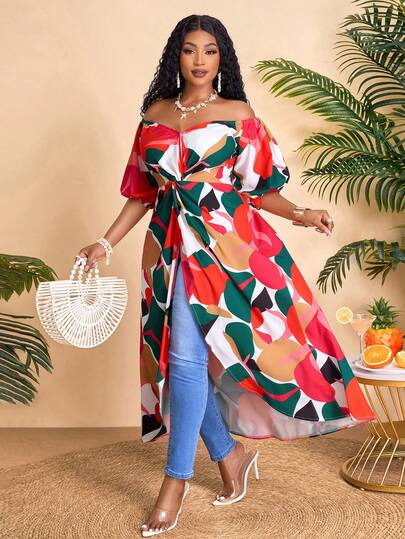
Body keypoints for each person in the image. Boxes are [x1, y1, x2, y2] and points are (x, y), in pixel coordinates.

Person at [76, 14, 375, 537]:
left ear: (222, 58)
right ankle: (229, 454)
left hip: (228, 249)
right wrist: (105, 242)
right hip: (168, 248)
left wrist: (302, 213)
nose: (199, 60)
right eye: (190, 49)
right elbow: (142, 194)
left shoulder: (238, 115)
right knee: (180, 360)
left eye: (210, 51)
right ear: (176, 55)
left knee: (185, 358)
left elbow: (260, 190)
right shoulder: (154, 115)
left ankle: (174, 482)